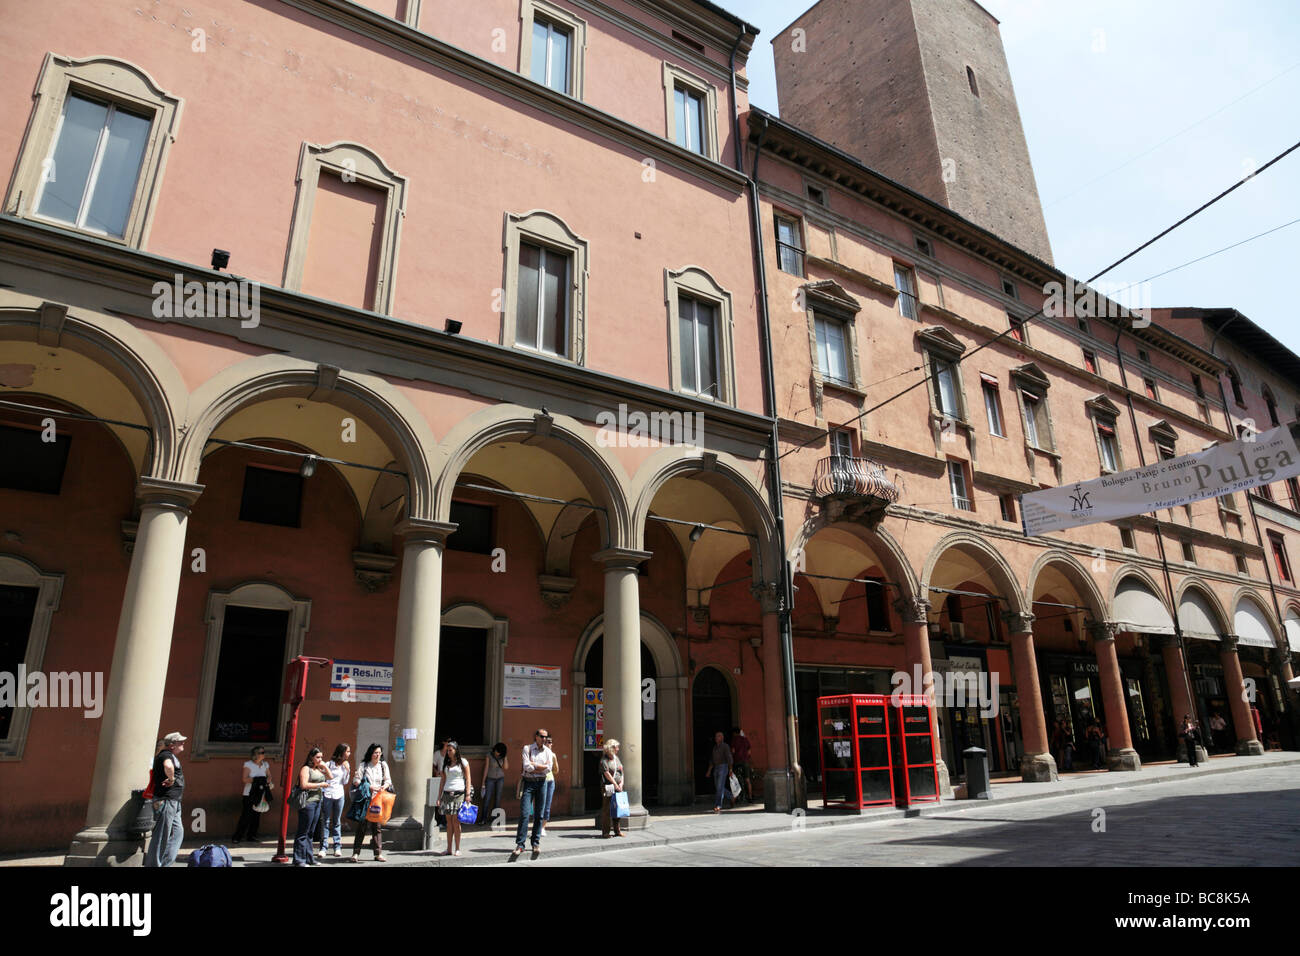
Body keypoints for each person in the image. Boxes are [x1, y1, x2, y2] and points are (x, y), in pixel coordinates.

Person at [145, 731, 187, 867]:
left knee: (177, 833)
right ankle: (154, 865)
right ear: (172, 745)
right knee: (161, 835)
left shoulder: (169, 755)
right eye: (180, 741)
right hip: (166, 800)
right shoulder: (166, 755)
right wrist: (171, 778)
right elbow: (168, 766)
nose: (183, 743)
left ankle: (165, 864)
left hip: (174, 801)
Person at [511, 728, 553, 860]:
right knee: (524, 814)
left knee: (539, 815)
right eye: (542, 736)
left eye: (546, 737)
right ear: (536, 736)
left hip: (542, 783)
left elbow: (549, 769)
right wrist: (540, 766)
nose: (544, 739)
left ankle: (535, 843)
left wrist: (534, 765)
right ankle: (520, 844)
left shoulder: (548, 751)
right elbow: (526, 767)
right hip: (528, 783)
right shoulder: (527, 748)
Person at [351, 743, 392, 862]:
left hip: (378, 799)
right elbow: (356, 781)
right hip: (366, 799)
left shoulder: (383, 765)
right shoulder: (364, 765)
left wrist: (383, 787)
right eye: (375, 753)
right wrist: (369, 787)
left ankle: (378, 853)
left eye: (379, 753)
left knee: (377, 827)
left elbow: (388, 780)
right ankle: (355, 853)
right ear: (371, 753)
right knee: (362, 826)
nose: (378, 755)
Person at [292, 748, 331, 866]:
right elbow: (303, 785)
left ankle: (309, 858)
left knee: (311, 832)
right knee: (303, 831)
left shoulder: (319, 769)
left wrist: (325, 766)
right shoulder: (306, 769)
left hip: (318, 801)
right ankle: (298, 859)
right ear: (311, 757)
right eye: (318, 757)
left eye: (321, 757)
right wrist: (320, 784)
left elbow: (330, 777)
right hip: (308, 802)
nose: (320, 760)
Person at [232, 745, 273, 844]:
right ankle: (237, 836)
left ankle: (252, 835)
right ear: (256, 754)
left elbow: (269, 775)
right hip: (249, 793)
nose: (264, 754)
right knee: (246, 815)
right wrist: (258, 780)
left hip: (260, 793)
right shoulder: (248, 764)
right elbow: (245, 779)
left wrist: (267, 780)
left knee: (256, 816)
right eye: (261, 752)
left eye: (264, 752)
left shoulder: (265, 765)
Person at [439, 740, 472, 856]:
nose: (448, 752)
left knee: (456, 821)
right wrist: (440, 796)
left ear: (456, 750)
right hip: (447, 794)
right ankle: (449, 848)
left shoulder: (463, 762)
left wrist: (468, 794)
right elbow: (443, 780)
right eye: (447, 750)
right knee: (449, 822)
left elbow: (468, 778)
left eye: (450, 750)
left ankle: (457, 848)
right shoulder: (446, 763)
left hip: (459, 794)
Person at [318, 743, 351, 857]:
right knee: (326, 821)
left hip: (339, 794)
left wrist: (347, 770)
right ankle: (323, 847)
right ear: (341, 752)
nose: (349, 754)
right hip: (328, 794)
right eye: (347, 751)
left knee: (337, 821)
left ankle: (337, 846)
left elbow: (345, 781)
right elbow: (323, 778)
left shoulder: (345, 765)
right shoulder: (329, 764)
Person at [598, 738, 625, 838]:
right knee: (607, 808)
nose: (618, 749)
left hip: (618, 786)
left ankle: (617, 830)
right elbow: (606, 774)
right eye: (616, 747)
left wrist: (621, 783)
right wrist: (615, 784)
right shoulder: (604, 760)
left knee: (617, 808)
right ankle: (606, 832)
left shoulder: (616, 758)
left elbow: (621, 771)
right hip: (608, 787)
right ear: (611, 748)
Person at [480, 742, 508, 827]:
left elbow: (506, 767)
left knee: (498, 799)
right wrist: (483, 782)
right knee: (487, 798)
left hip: (500, 778)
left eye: (499, 752)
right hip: (490, 778)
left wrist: (505, 757)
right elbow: (486, 768)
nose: (497, 753)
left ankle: (495, 819)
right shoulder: (489, 755)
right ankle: (483, 819)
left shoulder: (502, 756)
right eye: (497, 751)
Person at [706, 730, 733, 812]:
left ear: (722, 737)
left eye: (718, 736)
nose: (716, 738)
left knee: (719, 787)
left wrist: (730, 769)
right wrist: (709, 770)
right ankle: (731, 797)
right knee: (718, 787)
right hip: (716, 768)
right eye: (716, 736)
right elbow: (712, 760)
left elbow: (729, 758)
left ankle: (718, 805)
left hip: (723, 767)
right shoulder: (715, 747)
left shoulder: (725, 746)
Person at [541, 732, 558, 836]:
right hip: (540, 780)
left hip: (550, 780)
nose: (550, 744)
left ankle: (543, 827)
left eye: (551, 742)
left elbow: (556, 771)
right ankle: (537, 825)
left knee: (547, 805)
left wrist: (554, 758)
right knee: (540, 805)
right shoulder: (539, 753)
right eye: (548, 742)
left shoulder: (552, 755)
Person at [730, 727, 752, 804]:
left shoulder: (734, 739)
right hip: (745, 761)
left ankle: (736, 798)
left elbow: (733, 751)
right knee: (747, 779)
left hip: (737, 761)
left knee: (736, 780)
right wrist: (747, 758)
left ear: (734, 733)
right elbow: (749, 751)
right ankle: (750, 797)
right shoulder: (745, 739)